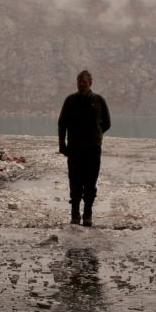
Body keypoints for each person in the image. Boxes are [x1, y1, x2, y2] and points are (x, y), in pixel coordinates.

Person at [57, 69, 111, 226]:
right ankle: (75, 213)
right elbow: (62, 124)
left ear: (90, 83)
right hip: (74, 148)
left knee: (90, 182)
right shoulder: (70, 100)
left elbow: (106, 123)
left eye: (84, 82)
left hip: (93, 148)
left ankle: (88, 213)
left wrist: (96, 134)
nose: (81, 84)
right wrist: (62, 144)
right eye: (79, 81)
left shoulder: (99, 101)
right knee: (74, 181)